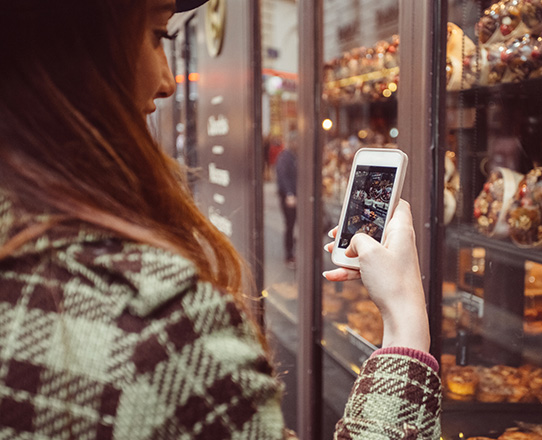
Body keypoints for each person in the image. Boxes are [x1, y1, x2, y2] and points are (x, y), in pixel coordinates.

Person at [0, 0, 441, 439]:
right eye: (158, 35)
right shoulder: (155, 331)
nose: (167, 82)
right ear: (74, 50)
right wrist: (405, 322)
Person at [275, 131, 298, 269]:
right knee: (290, 225)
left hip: (296, 195)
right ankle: (289, 254)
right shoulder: (285, 156)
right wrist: (289, 194)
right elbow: (283, 176)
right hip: (289, 196)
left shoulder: (295, 155)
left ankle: (293, 250)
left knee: (293, 225)